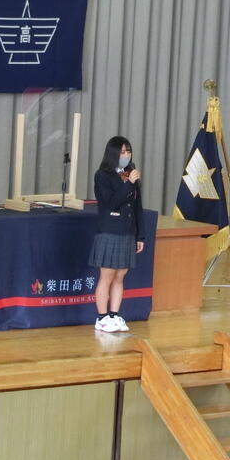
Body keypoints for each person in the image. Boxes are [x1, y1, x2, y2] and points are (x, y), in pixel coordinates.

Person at [89, 136, 146, 333]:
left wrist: (140, 235)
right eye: (122, 152)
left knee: (120, 276)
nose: (126, 155)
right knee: (107, 275)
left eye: (128, 151)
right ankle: (102, 318)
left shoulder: (130, 174)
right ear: (113, 153)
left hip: (128, 232)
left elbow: (137, 207)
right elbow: (111, 203)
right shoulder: (102, 176)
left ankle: (114, 315)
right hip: (110, 230)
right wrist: (128, 183)